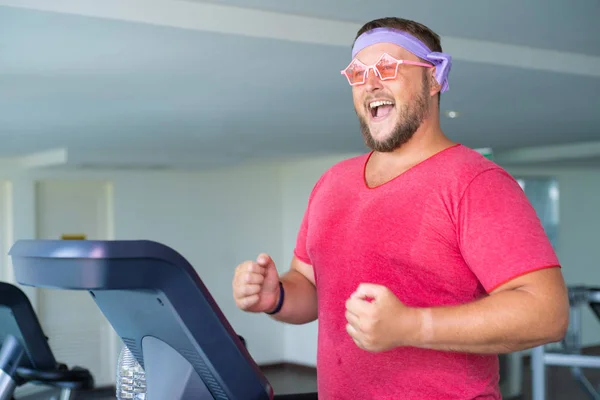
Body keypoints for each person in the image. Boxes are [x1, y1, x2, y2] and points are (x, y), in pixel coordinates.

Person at [232, 17, 569, 399]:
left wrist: (411, 326)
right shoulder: (331, 183)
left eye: (388, 67)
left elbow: (547, 313)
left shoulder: (475, 182)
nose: (370, 82)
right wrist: (275, 296)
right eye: (358, 73)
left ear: (436, 78)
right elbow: (310, 288)